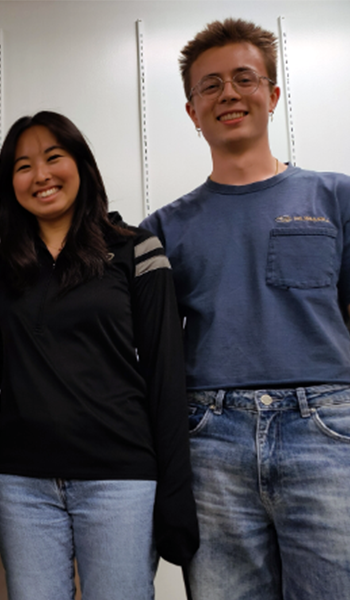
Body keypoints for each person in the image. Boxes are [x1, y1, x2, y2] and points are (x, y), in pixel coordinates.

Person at [140, 18, 350, 599]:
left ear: (273, 94)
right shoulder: (162, 229)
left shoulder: (336, 197)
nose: (228, 94)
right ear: (192, 110)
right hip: (210, 441)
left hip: (328, 432)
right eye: (210, 85)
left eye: (243, 79)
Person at [0, 111, 198, 600]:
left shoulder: (135, 250)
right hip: (21, 482)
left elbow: (166, 374)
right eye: (23, 166)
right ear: (10, 184)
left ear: (82, 165)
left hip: (119, 478)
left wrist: (176, 492)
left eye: (54, 157)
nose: (41, 175)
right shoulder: (2, 266)